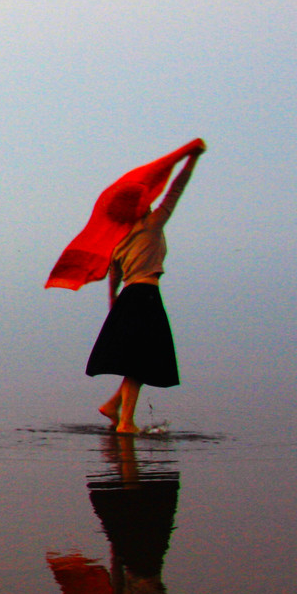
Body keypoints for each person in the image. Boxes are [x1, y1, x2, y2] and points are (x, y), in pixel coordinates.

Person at [87, 143, 205, 433]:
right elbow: (175, 192)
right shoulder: (151, 225)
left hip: (128, 298)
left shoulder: (118, 240)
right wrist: (191, 160)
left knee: (134, 359)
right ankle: (125, 421)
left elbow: (113, 277)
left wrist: (113, 302)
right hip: (145, 295)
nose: (151, 200)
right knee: (138, 361)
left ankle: (114, 406)